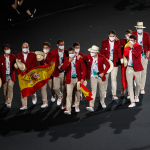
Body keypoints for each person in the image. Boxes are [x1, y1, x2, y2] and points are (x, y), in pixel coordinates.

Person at [82, 45, 110, 112]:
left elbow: (108, 65)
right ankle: (91, 105)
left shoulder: (102, 57)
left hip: (100, 76)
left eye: (92, 52)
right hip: (93, 77)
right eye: (91, 51)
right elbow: (83, 58)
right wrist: (79, 57)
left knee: (101, 90)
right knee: (93, 91)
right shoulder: (88, 55)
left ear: (96, 52)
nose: (91, 53)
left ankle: (102, 101)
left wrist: (103, 73)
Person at [61, 47, 86, 115]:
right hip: (69, 79)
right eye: (70, 53)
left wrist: (83, 78)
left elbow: (84, 68)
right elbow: (63, 68)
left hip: (78, 79)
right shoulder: (66, 59)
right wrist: (68, 62)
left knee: (77, 93)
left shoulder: (79, 59)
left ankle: (77, 106)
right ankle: (68, 109)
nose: (71, 54)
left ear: (74, 52)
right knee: (69, 94)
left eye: (72, 53)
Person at [100, 30, 122, 100]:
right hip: (106, 63)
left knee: (113, 79)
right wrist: (104, 60)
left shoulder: (117, 42)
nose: (112, 38)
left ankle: (114, 94)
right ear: (108, 36)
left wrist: (121, 58)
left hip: (114, 63)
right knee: (105, 78)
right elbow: (102, 53)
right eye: (110, 36)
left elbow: (119, 52)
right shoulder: (104, 42)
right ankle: (104, 91)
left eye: (113, 36)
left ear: (115, 36)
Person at [124, 35, 144, 107]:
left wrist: (132, 47)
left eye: (132, 40)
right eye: (129, 40)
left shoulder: (139, 47)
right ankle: (132, 102)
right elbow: (124, 55)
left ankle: (136, 95)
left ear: (135, 41)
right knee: (130, 85)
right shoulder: (126, 47)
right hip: (129, 68)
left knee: (138, 84)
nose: (130, 41)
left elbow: (137, 54)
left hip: (137, 68)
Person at [16, 42, 38, 110]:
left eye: (26, 47)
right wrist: (18, 68)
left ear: (29, 47)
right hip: (22, 75)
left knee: (32, 87)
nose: (25, 48)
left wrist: (26, 68)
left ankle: (33, 96)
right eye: (23, 47)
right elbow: (17, 64)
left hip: (31, 74)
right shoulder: (18, 55)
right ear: (21, 48)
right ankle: (24, 104)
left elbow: (35, 64)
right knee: (23, 89)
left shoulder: (33, 54)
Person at [132, 22, 150, 94]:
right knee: (136, 71)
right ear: (136, 28)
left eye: (141, 28)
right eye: (138, 28)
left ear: (142, 29)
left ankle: (142, 88)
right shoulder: (133, 34)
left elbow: (149, 44)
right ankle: (137, 83)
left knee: (143, 72)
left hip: (143, 55)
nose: (139, 29)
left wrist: (149, 51)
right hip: (136, 55)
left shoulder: (146, 35)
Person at [49, 40, 68, 106]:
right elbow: (50, 60)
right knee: (55, 88)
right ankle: (60, 95)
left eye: (63, 44)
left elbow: (69, 60)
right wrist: (51, 63)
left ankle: (63, 102)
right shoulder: (54, 51)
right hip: (56, 72)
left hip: (64, 73)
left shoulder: (66, 52)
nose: (62, 46)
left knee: (64, 88)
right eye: (60, 44)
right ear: (57, 45)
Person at [40, 42, 56, 108]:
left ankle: (53, 95)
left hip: (50, 74)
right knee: (43, 88)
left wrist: (48, 65)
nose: (45, 49)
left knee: (52, 87)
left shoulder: (52, 54)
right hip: (43, 73)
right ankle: (45, 102)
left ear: (49, 48)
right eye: (44, 48)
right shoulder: (40, 54)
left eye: (46, 48)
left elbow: (53, 62)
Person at [120, 29, 132, 98]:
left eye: (130, 36)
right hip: (124, 62)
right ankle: (124, 87)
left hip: (130, 62)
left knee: (130, 77)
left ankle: (128, 91)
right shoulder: (122, 41)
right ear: (125, 35)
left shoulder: (133, 42)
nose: (129, 37)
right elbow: (118, 48)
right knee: (124, 76)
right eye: (128, 36)